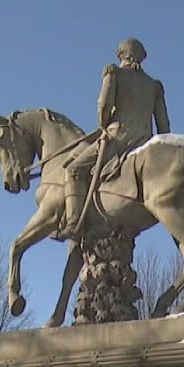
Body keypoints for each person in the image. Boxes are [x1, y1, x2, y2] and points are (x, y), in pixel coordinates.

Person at [62, 37, 171, 238]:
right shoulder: (154, 86)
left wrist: (104, 124)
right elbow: (164, 126)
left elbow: (104, 107)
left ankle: (73, 222)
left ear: (124, 55)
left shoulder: (115, 73)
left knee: (73, 169)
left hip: (117, 138)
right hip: (144, 143)